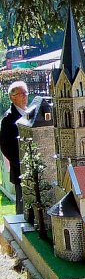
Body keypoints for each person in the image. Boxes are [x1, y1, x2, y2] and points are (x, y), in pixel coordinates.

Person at [1, 82, 28, 213]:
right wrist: (21, 162)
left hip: (37, 169)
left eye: (26, 92)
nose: (25, 96)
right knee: (22, 206)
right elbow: (5, 147)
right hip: (20, 170)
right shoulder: (8, 119)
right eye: (21, 93)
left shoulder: (31, 112)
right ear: (12, 97)